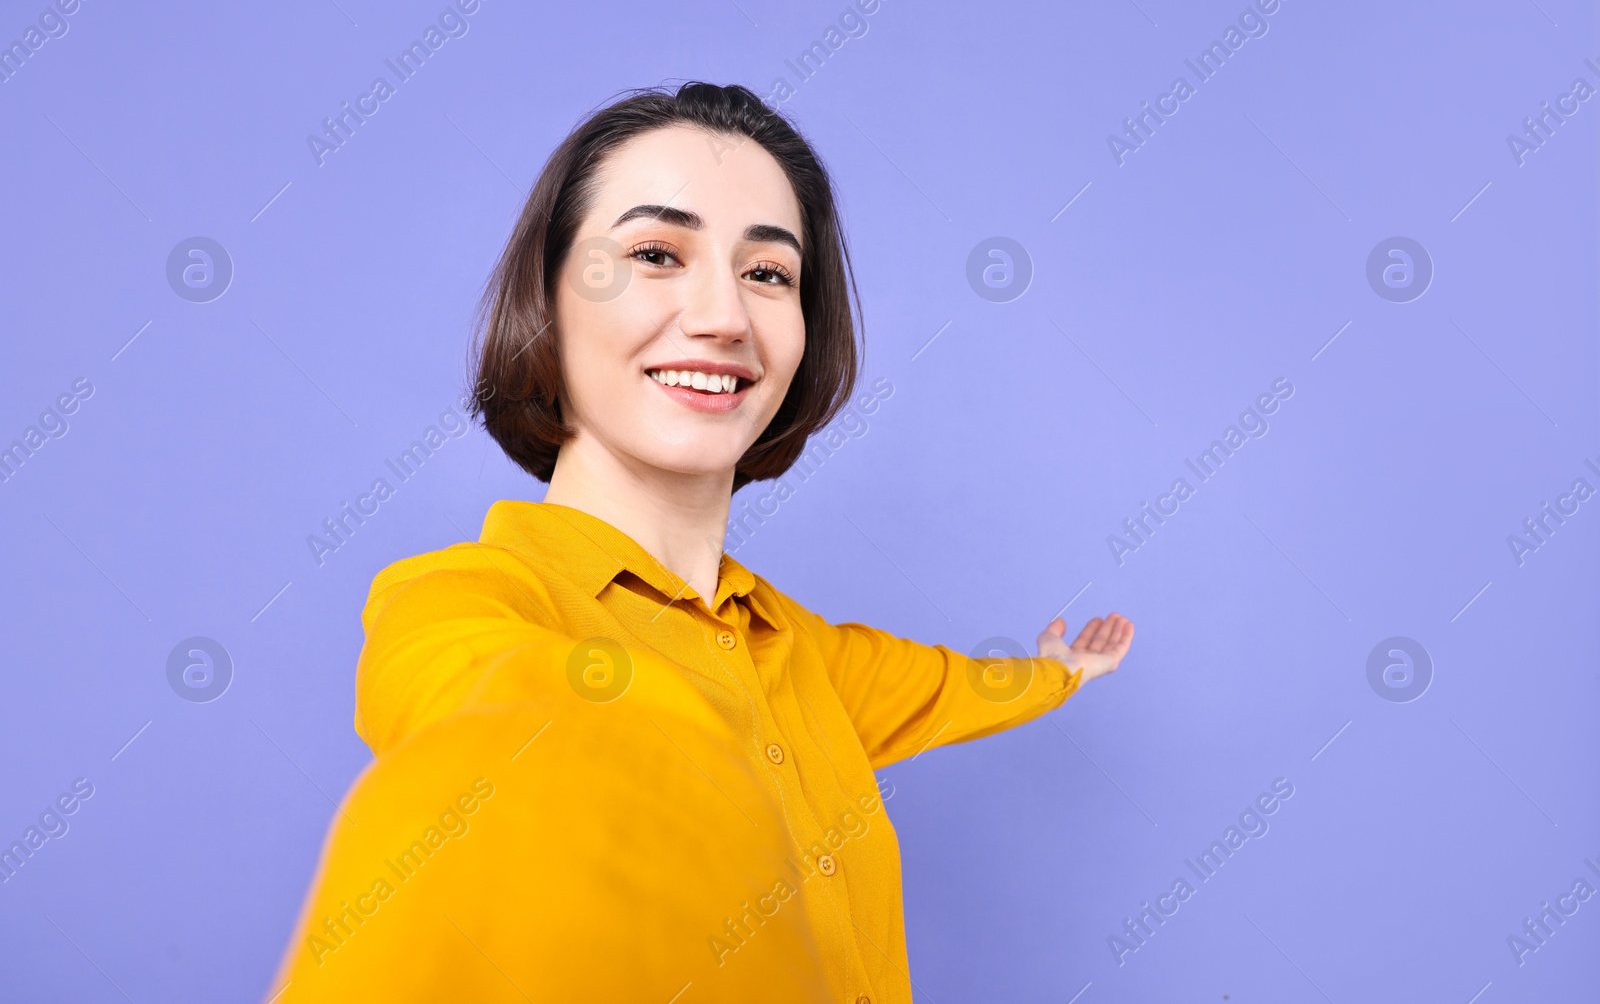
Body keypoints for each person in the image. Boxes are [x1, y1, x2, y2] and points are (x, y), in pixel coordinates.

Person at [266, 82, 1134, 1004]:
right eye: (654, 253)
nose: (724, 316)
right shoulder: (463, 604)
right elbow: (515, 728)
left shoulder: (803, 652)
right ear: (547, 303)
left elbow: (943, 686)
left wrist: (1056, 673)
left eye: (769, 273)